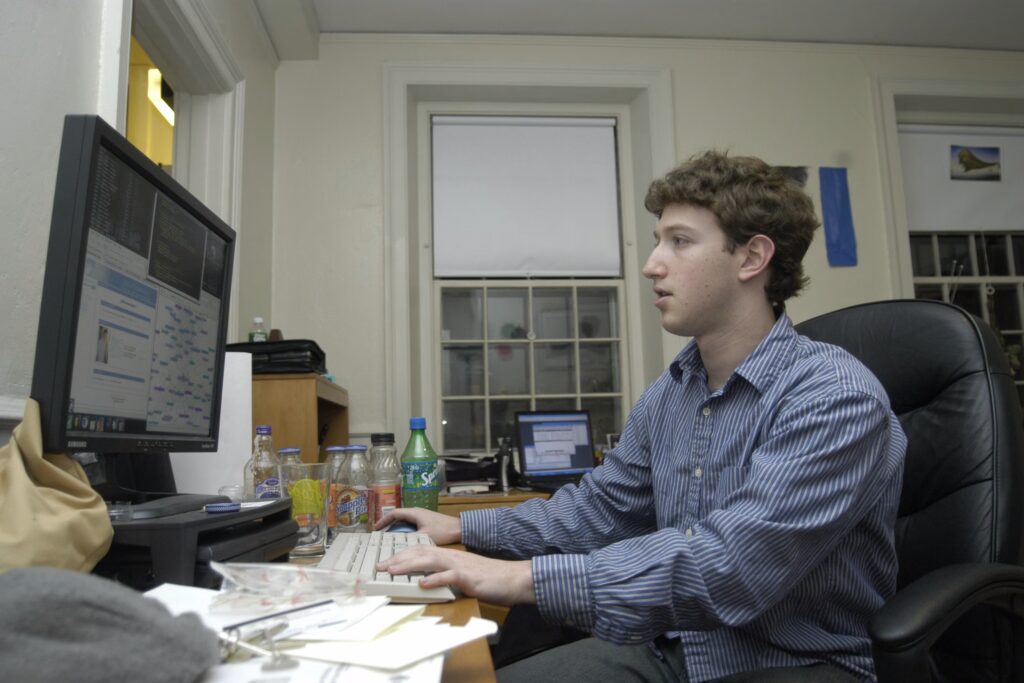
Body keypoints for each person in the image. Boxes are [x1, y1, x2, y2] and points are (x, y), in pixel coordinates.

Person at [377, 150, 906, 682]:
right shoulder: (671, 394)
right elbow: (600, 511)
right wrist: (463, 528)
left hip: (789, 663)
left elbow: (732, 566)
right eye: (658, 241)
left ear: (751, 259)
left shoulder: (834, 397)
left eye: (679, 241)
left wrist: (520, 578)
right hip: (674, 644)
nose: (653, 263)